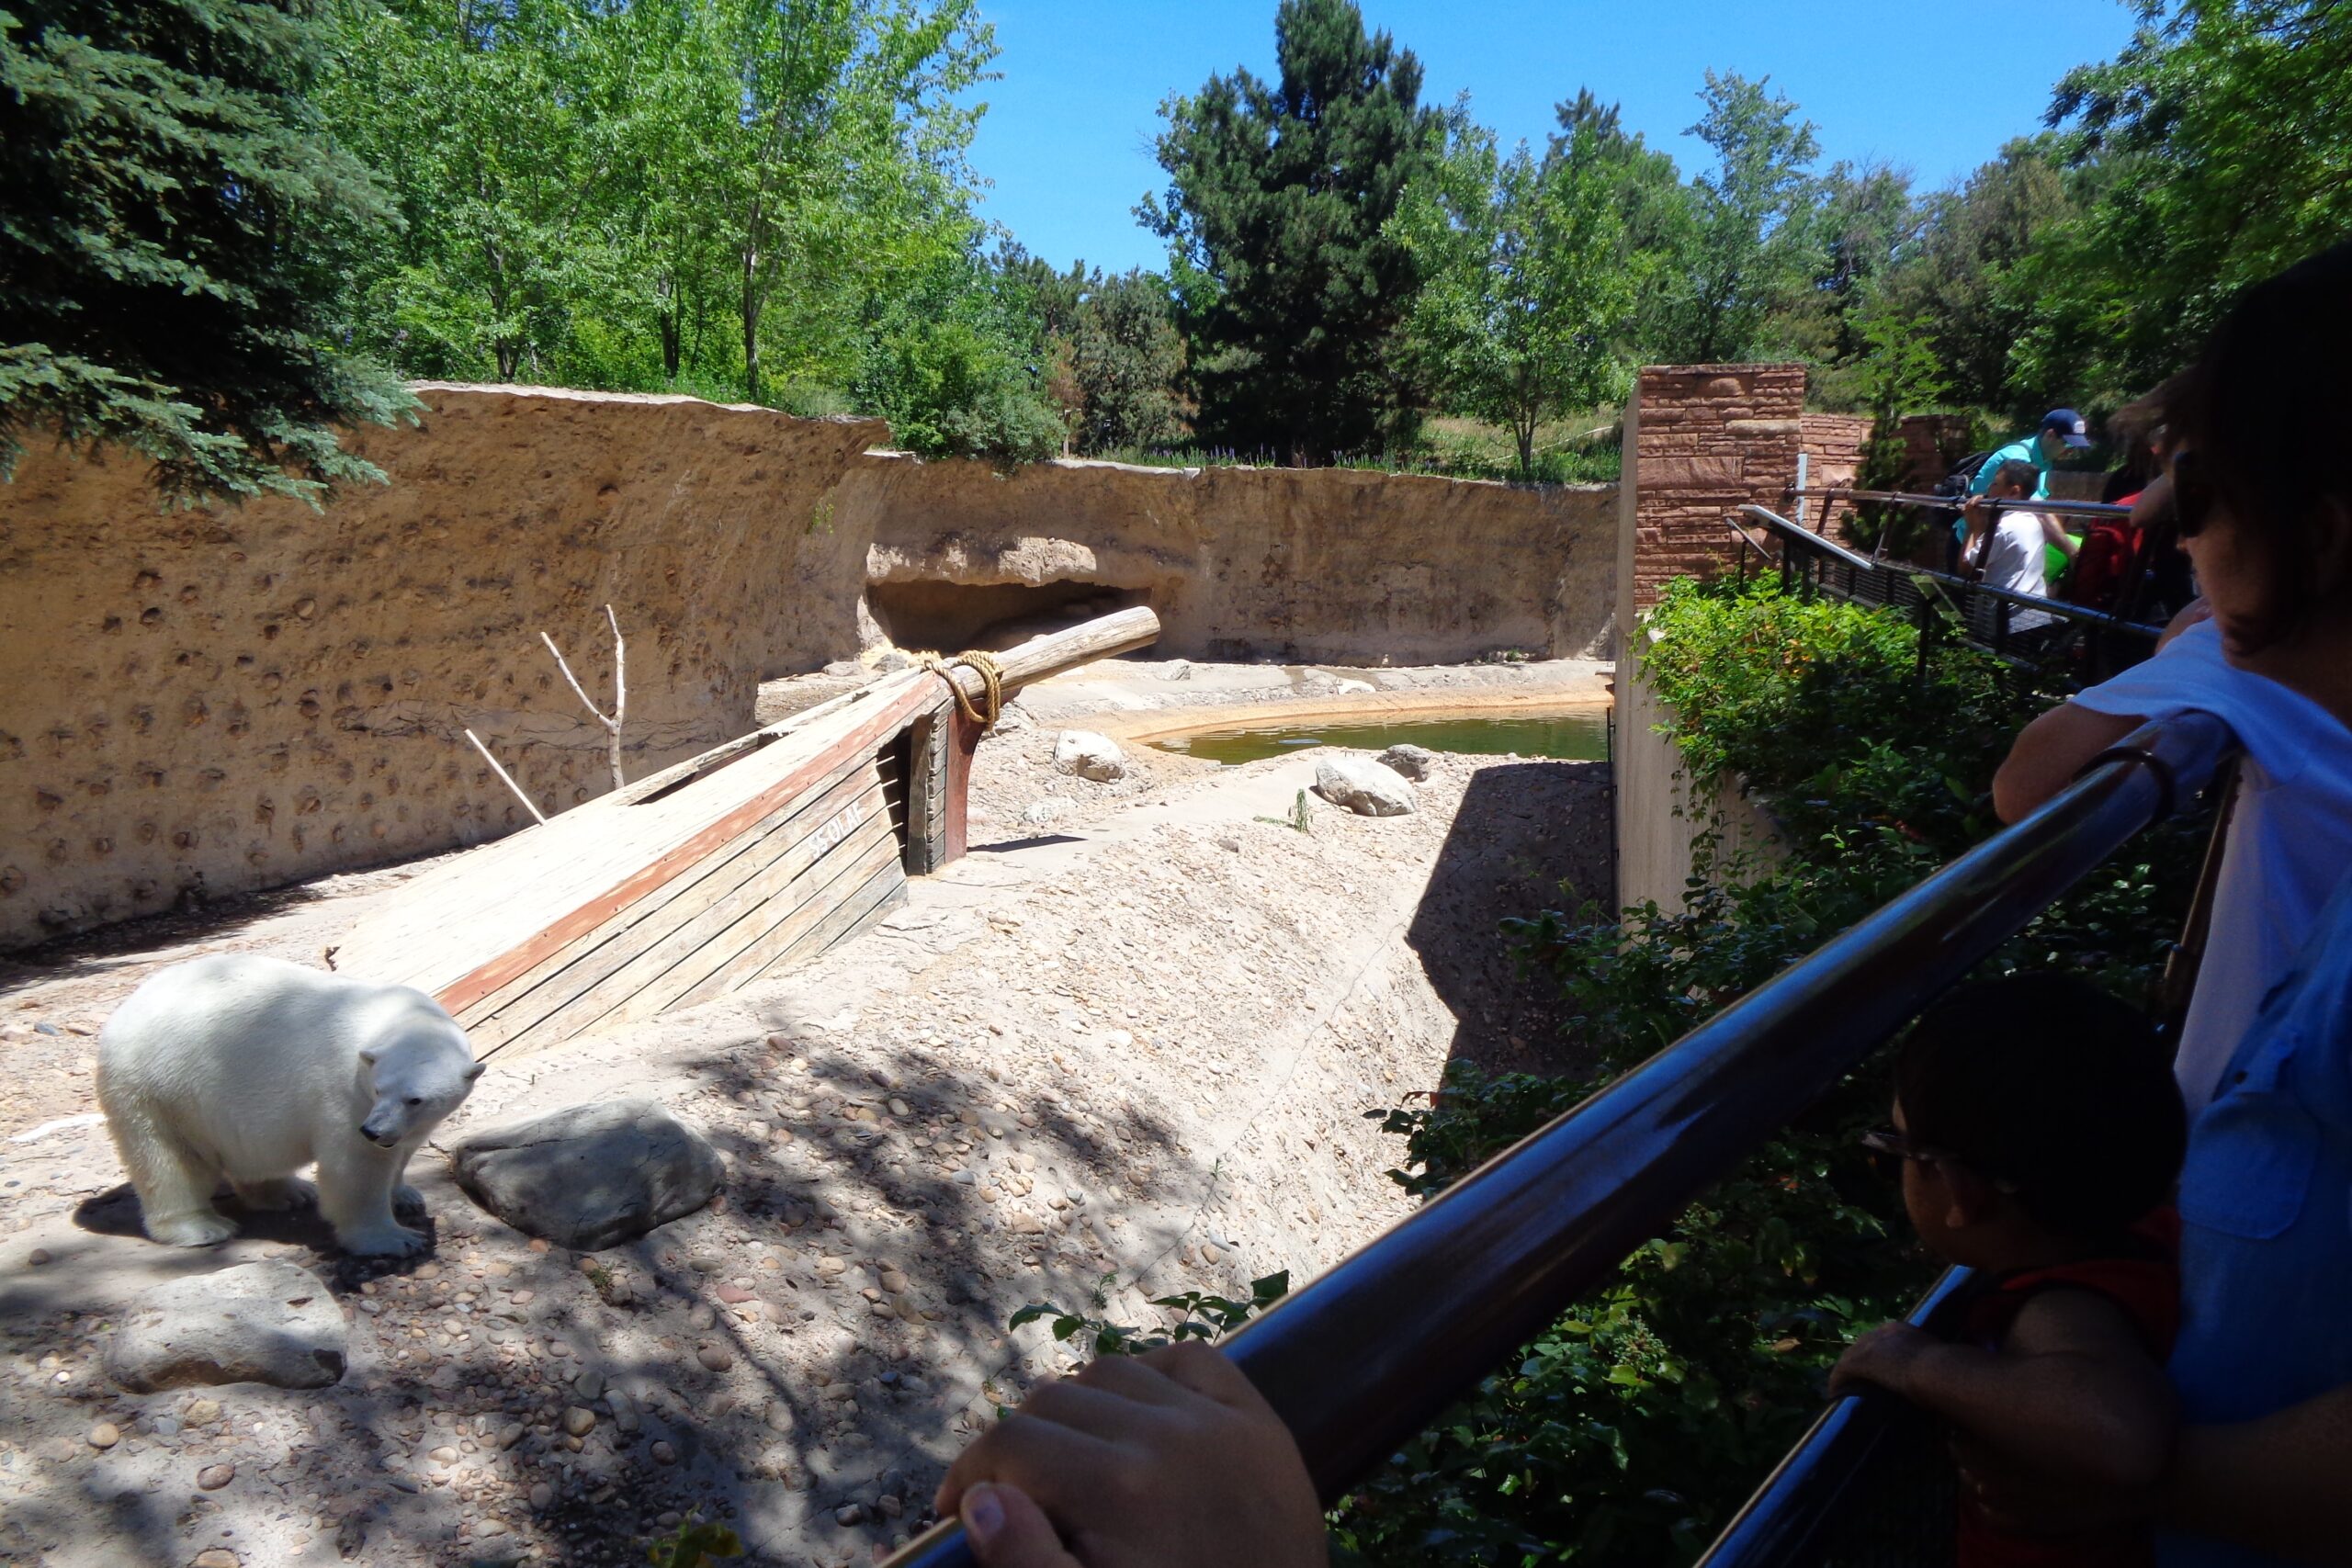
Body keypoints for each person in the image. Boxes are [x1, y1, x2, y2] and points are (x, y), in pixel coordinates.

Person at [1829, 975, 2185, 1568]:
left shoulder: (2061, 1308)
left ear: (1960, 1192)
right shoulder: (2150, 1228)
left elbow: (2120, 1430)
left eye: (1895, 1149)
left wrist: (1915, 1360)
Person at [1949, 409, 2095, 564]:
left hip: (1997, 543)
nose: (2070, 451)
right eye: (2067, 444)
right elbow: (2039, 511)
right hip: (1971, 543)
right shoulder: (2016, 458)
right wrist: (2072, 552)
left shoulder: (2043, 462)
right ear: (2050, 435)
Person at [1962, 459, 2075, 639]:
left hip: (2007, 625)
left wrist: (1972, 526)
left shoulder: (2002, 527)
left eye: (1994, 484)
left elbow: (1966, 568)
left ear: (2014, 491)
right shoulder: (2033, 519)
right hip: (2036, 615)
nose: (1988, 490)